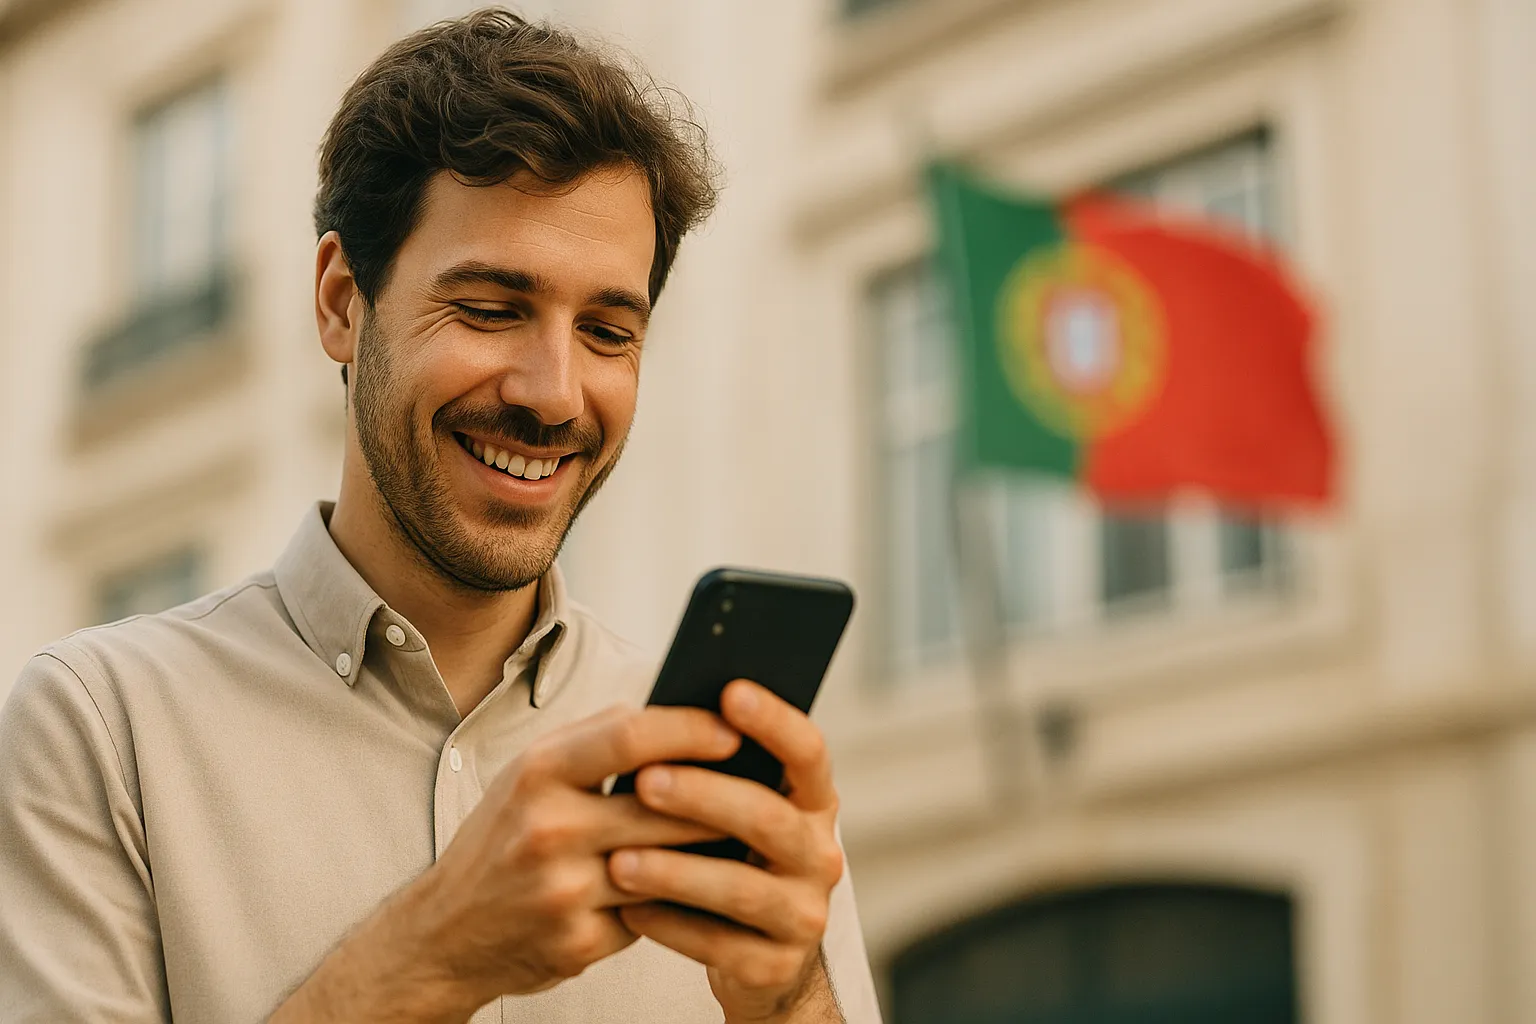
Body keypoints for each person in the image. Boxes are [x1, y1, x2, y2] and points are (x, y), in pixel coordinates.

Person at [0, 10, 880, 1023]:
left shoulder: (722, 773)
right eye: (492, 308)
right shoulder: (102, 727)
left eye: (606, 329)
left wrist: (788, 995)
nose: (555, 393)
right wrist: (428, 957)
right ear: (340, 300)